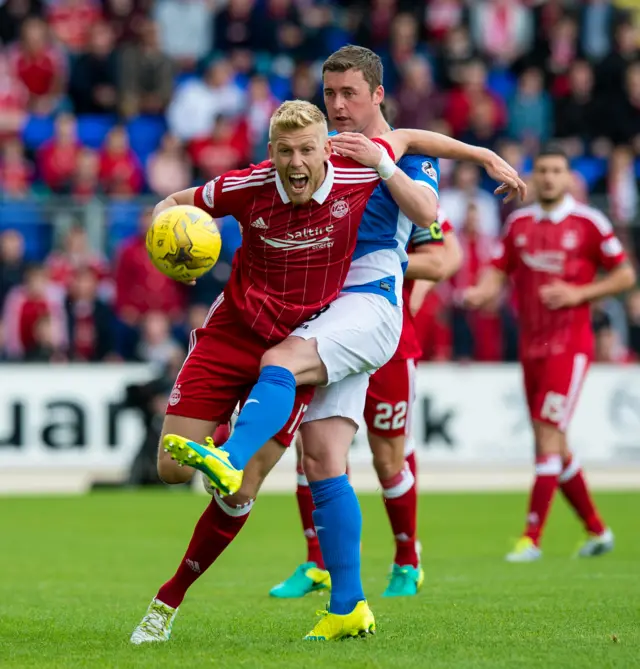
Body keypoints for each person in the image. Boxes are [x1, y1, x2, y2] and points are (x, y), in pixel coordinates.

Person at [131, 50, 524, 645]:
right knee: (323, 461)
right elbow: (185, 199)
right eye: (329, 94)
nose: (338, 106)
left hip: (360, 311)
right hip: (315, 316)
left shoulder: (377, 157)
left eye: (349, 94)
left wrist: (472, 156)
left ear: (378, 95)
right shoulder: (313, 154)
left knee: (289, 376)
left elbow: (427, 208)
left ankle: (235, 463)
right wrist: (479, 151)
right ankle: (348, 604)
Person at [270, 208, 461, 601]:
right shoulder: (329, 184)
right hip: (327, 337)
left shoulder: (404, 188)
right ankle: (318, 563)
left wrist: (372, 265)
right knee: (313, 452)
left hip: (389, 344)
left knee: (388, 460)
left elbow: (441, 257)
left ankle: (408, 561)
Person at [464, 145, 636, 562]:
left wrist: (580, 293)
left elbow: (625, 274)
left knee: (546, 435)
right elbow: (498, 271)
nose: (548, 178)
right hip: (531, 347)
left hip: (571, 346)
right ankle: (597, 530)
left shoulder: (589, 223)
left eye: (556, 171)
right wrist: (479, 293)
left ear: (568, 177)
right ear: (533, 175)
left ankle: (531, 538)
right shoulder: (519, 223)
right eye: (541, 170)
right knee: (554, 443)